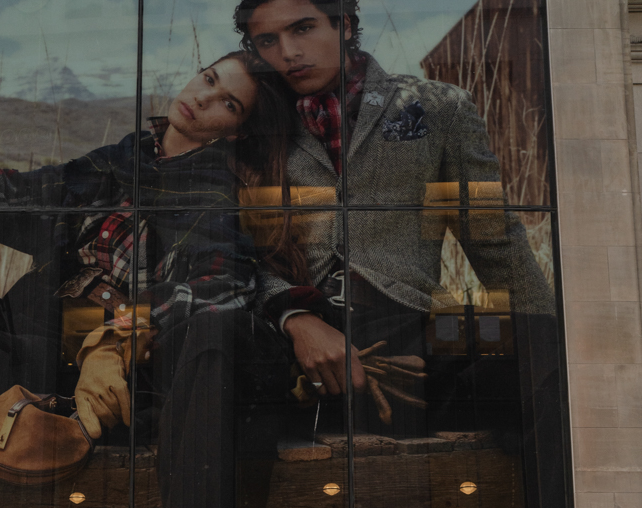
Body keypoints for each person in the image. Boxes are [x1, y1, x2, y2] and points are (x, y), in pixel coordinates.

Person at [0, 54, 294, 508]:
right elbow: (40, 190)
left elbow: (218, 289)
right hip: (58, 352)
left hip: (132, 385)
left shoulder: (212, 189)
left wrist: (121, 335)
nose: (201, 98)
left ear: (239, 128)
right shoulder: (127, 156)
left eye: (227, 103)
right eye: (209, 79)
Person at [234, 0, 554, 435]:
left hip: (410, 320)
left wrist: (547, 332)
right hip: (299, 332)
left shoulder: (438, 105)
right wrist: (295, 315)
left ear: (344, 25)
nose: (288, 51)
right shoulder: (250, 121)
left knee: (549, 371)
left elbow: (490, 234)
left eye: (303, 28)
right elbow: (237, 248)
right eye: (268, 40)